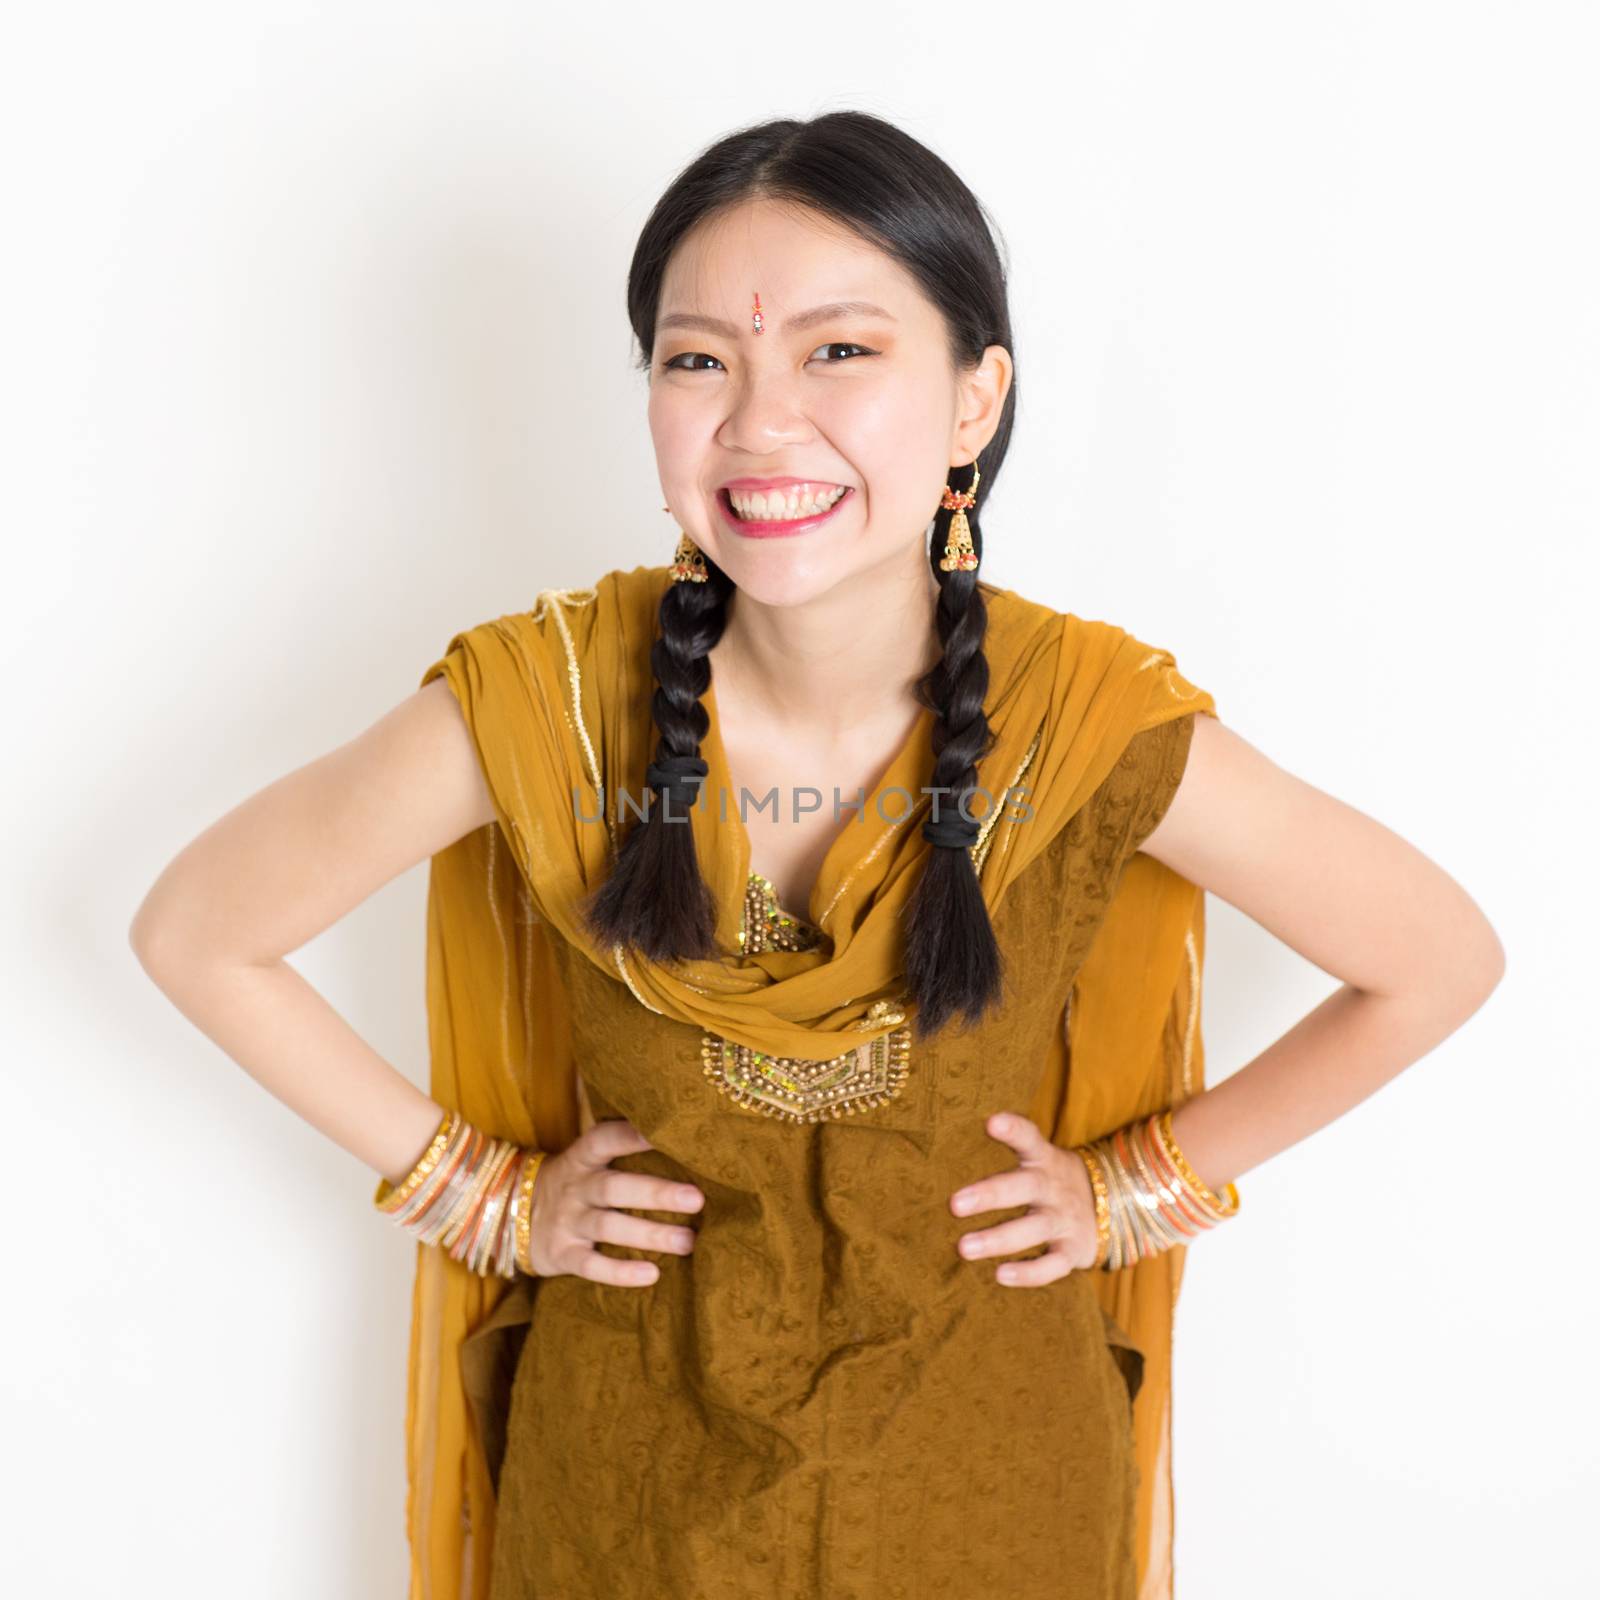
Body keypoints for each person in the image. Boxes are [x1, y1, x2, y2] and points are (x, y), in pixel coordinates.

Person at [130, 110, 1505, 1600]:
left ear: (977, 399)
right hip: (630, 1487)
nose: (762, 422)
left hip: (985, 1480)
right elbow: (200, 930)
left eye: (839, 353)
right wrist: (488, 1197)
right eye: (698, 358)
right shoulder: (552, 707)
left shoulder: (1079, 723)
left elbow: (1434, 961)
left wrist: (1134, 1192)